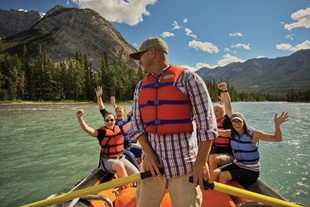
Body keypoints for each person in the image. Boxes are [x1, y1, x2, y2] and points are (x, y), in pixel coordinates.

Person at [129, 37, 218, 207]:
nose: (139, 61)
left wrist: (201, 163)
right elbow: (137, 125)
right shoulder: (140, 87)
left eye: (141, 56)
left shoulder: (189, 79)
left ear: (152, 53)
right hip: (151, 169)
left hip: (185, 168)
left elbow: (207, 125)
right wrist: (148, 155)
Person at [210, 112, 289, 188]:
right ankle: (212, 195)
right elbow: (215, 131)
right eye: (234, 121)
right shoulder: (231, 133)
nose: (236, 124)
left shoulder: (254, 134)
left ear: (243, 122)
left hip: (251, 170)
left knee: (224, 176)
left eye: (239, 121)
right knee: (215, 173)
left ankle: (224, 199)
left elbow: (277, 139)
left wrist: (277, 125)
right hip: (238, 164)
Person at [76, 109, 139, 188]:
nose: (109, 122)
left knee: (137, 175)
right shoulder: (101, 133)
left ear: (115, 120)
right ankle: (128, 189)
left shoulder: (120, 129)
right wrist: (80, 118)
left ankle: (136, 188)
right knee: (119, 165)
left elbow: (132, 122)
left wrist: (138, 112)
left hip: (121, 158)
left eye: (112, 120)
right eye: (107, 120)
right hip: (108, 161)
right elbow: (87, 129)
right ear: (104, 121)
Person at [95, 86, 141, 170]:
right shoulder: (114, 122)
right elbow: (102, 110)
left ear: (124, 113)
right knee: (131, 155)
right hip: (121, 149)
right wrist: (99, 97)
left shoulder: (128, 121)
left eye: (120, 112)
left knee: (143, 152)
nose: (118, 113)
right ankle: (139, 175)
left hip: (130, 146)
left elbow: (137, 114)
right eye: (116, 112)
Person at [208, 82, 234, 173]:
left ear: (222, 113)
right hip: (215, 152)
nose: (214, 113)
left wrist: (225, 91)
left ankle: (211, 183)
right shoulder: (213, 122)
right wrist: (221, 102)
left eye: (217, 111)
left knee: (211, 158)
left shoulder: (227, 121)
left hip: (226, 155)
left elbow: (228, 108)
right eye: (213, 111)